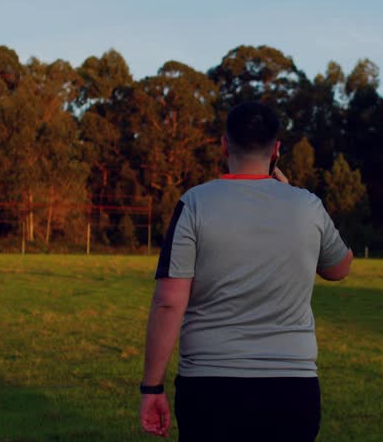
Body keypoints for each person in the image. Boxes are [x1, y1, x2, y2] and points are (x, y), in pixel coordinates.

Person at [139, 101, 353, 441]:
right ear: (277, 150)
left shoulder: (193, 204)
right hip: (292, 391)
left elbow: (168, 302)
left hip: (209, 389)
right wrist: (290, 197)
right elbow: (340, 267)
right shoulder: (307, 205)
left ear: (224, 144)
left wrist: (152, 387)